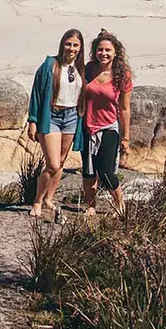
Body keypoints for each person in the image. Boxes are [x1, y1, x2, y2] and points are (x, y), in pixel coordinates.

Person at [26, 29, 86, 219]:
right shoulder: (49, 64)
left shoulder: (82, 69)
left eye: (75, 45)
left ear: (80, 48)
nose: (71, 48)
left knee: (60, 162)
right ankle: (37, 200)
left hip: (71, 117)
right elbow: (36, 93)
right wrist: (33, 121)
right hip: (51, 115)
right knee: (51, 164)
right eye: (68, 44)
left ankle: (49, 199)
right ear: (62, 44)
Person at [80, 30, 132, 216]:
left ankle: (119, 202)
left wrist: (125, 138)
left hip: (109, 127)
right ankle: (91, 206)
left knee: (105, 170)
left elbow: (125, 109)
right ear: (94, 52)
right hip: (87, 127)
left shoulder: (122, 75)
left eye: (108, 50)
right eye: (100, 49)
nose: (103, 53)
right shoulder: (88, 69)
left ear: (116, 52)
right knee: (88, 171)